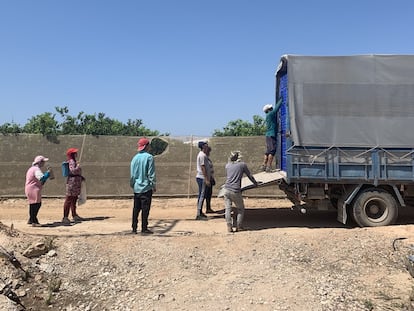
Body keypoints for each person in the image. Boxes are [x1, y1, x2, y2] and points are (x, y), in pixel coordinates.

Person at [223, 151, 257, 233]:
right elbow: (250, 176)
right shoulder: (242, 165)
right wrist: (255, 183)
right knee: (240, 209)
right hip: (235, 190)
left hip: (226, 189)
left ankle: (229, 226)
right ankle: (239, 226)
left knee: (228, 208)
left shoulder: (227, 165)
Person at [130, 138, 156, 234]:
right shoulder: (149, 157)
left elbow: (132, 175)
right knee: (145, 209)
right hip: (146, 187)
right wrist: (153, 185)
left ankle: (134, 228)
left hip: (137, 187)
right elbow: (151, 173)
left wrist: (133, 184)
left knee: (136, 208)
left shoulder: (134, 158)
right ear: (147, 146)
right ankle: (144, 228)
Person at [25, 155, 52, 226]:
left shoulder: (32, 168)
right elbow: (41, 178)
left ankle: (32, 219)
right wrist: (47, 174)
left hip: (31, 188)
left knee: (33, 204)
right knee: (36, 204)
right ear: (39, 162)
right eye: (43, 162)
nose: (44, 164)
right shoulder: (36, 169)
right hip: (33, 188)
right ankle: (33, 220)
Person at [62, 148, 84, 224]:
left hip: (75, 182)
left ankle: (74, 215)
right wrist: (78, 166)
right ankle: (65, 217)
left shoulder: (73, 161)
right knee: (69, 199)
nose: (76, 154)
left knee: (74, 199)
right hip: (72, 183)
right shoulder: (71, 161)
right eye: (75, 153)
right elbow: (73, 171)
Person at [262, 98, 283, 172]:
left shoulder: (268, 115)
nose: (272, 108)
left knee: (268, 150)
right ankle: (268, 166)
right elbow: (277, 108)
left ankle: (264, 165)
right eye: (271, 108)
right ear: (269, 109)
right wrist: (281, 99)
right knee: (272, 151)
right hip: (271, 135)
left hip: (268, 135)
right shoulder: (271, 114)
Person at [195, 141, 212, 220]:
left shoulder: (204, 155)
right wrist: (206, 179)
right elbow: (203, 167)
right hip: (201, 177)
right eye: (206, 145)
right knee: (202, 195)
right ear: (203, 146)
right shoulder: (202, 155)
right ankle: (198, 214)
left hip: (203, 177)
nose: (207, 146)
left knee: (203, 195)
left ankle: (200, 212)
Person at [204, 146, 215, 214]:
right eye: (208, 151)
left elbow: (210, 170)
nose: (209, 153)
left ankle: (208, 208)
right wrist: (207, 179)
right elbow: (204, 169)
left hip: (210, 177)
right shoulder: (204, 158)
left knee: (209, 194)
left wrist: (212, 178)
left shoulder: (208, 159)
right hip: (206, 178)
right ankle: (200, 210)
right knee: (205, 194)